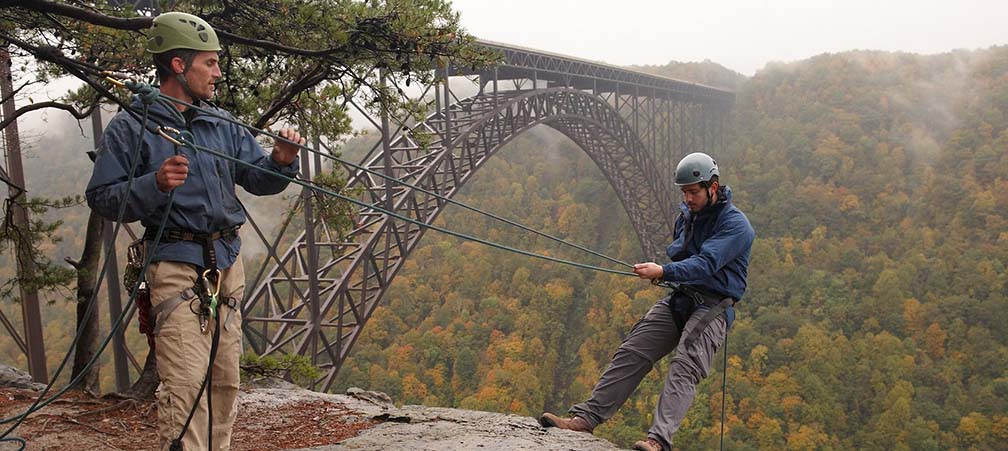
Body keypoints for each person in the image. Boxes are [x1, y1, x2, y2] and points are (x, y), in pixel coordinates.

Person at [86, 11, 304, 451]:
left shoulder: (219, 123)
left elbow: (259, 179)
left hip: (226, 267)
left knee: (224, 382)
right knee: (186, 386)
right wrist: (154, 183)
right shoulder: (132, 127)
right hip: (176, 267)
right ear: (179, 66)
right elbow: (103, 197)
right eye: (210, 63)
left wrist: (281, 159)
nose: (218, 73)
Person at [539, 152, 755, 451]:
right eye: (684, 192)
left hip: (713, 308)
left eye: (693, 192)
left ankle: (658, 442)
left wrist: (665, 270)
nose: (688, 198)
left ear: (713, 187)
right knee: (633, 350)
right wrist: (667, 274)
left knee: (685, 365)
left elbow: (706, 264)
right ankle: (586, 419)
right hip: (682, 297)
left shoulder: (737, 226)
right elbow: (681, 254)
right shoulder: (688, 217)